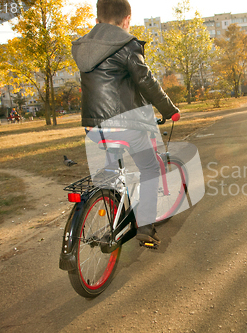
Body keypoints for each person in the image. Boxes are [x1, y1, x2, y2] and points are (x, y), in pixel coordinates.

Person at [71, 0, 180, 245]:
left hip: (94, 127)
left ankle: (114, 208)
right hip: (126, 125)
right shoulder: (127, 45)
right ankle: (146, 227)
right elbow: (146, 81)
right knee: (150, 169)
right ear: (127, 19)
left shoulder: (83, 48)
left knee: (113, 173)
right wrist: (169, 109)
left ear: (97, 19)